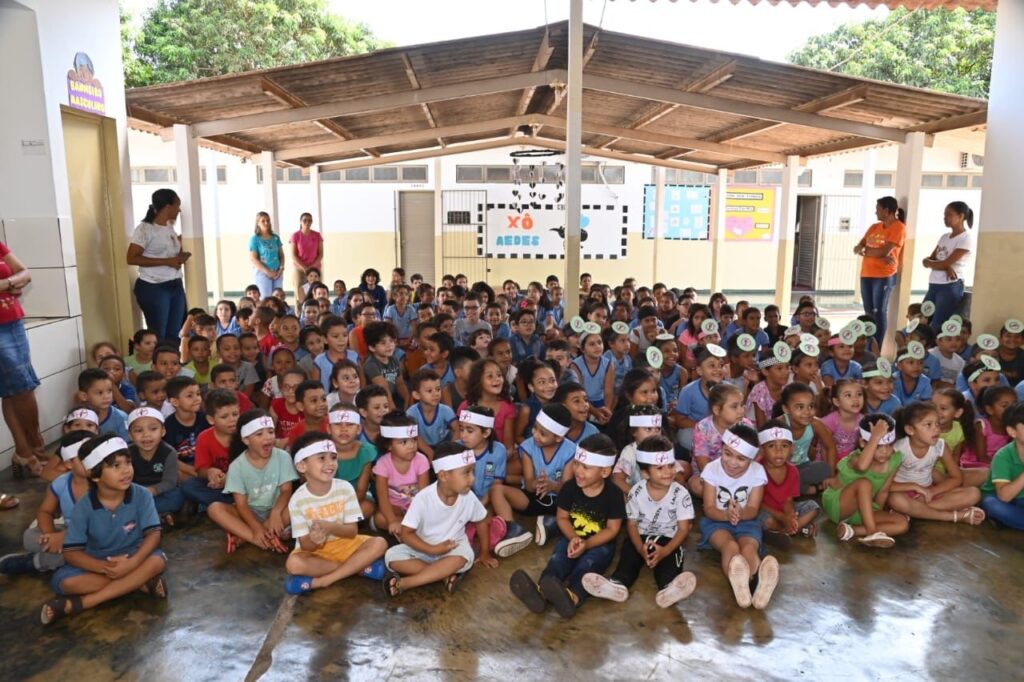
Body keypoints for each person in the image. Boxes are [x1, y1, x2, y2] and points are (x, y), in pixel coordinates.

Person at [41, 434, 168, 625]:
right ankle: (139, 583)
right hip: (98, 562)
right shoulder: (84, 506)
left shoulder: (142, 495)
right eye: (116, 466)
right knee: (63, 582)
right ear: (95, 475)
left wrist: (131, 564)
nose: (126, 470)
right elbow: (71, 553)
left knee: (157, 561)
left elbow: (154, 534)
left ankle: (83, 603)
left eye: (128, 462)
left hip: (134, 556)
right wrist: (106, 568)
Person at [508, 434, 625, 619]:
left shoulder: (614, 495)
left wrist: (587, 544)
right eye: (576, 463)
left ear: (604, 472)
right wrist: (573, 538)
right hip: (572, 536)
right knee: (558, 560)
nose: (578, 470)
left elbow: (612, 529)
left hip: (600, 543)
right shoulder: (570, 488)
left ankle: (573, 598)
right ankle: (541, 592)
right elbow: (562, 517)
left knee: (587, 567)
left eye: (586, 467)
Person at [582, 435, 697, 609]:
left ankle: (668, 588)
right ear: (645, 473)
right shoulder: (636, 491)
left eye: (671, 465)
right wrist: (640, 548)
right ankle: (618, 584)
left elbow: (683, 529)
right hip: (640, 536)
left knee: (671, 561)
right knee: (628, 555)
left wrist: (665, 551)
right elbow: (632, 524)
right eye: (660, 468)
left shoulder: (681, 494)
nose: (668, 472)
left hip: (668, 539)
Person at [382, 442, 495, 597]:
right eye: (466, 473)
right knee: (391, 557)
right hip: (422, 549)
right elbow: (406, 534)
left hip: (453, 549)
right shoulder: (423, 498)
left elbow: (481, 520)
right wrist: (432, 550)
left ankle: (407, 583)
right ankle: (443, 575)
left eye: (472, 472)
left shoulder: (468, 497)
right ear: (443, 476)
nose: (472, 479)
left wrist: (485, 553)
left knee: (465, 556)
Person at [284, 433, 387, 595]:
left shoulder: (345, 488)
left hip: (346, 544)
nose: (330, 463)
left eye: (333, 457)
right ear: (302, 466)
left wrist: (330, 527)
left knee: (380, 543)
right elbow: (306, 545)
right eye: (321, 458)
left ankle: (323, 581)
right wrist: (314, 540)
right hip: (316, 552)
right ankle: (358, 568)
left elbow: (352, 531)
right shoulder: (297, 500)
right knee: (294, 564)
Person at [698, 424, 778, 610]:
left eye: (741, 458)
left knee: (749, 547)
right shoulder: (711, 469)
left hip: (747, 521)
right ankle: (743, 585)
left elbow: (753, 509)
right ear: (722, 448)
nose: (732, 462)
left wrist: (741, 513)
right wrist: (726, 515)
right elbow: (709, 508)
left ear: (752, 458)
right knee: (730, 546)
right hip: (716, 521)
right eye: (727, 454)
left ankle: (760, 586)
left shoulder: (757, 471)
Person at [209, 410, 297, 553]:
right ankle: (261, 538)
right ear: (246, 440)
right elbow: (241, 504)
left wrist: (275, 513)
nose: (267, 437)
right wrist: (256, 528)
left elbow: (286, 491)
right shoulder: (237, 466)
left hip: (278, 509)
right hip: (249, 513)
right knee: (215, 509)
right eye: (259, 434)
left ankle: (245, 537)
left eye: (270, 432)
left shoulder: (283, 457)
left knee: (298, 503)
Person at [823, 414, 910, 547]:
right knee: (864, 483)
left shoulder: (895, 459)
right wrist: (875, 437)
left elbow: (883, 491)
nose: (885, 451)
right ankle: (872, 532)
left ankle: (853, 531)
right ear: (863, 443)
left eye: (889, 445)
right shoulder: (855, 459)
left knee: (902, 524)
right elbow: (863, 466)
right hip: (839, 505)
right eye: (878, 446)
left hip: (865, 508)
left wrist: (877, 512)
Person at [0, 238, 44, 482]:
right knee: (22, 386)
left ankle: (24, 452)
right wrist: (10, 284)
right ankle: (36, 444)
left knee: (13, 389)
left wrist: (6, 284)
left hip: (12, 320)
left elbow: (24, 273)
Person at [126, 189, 191, 343]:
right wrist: (167, 262)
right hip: (154, 287)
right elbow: (131, 258)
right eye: (177, 206)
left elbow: (168, 255)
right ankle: (158, 358)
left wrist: (180, 256)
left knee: (175, 334)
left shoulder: (169, 227)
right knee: (158, 335)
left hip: (175, 284)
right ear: (168, 206)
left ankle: (172, 358)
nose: (179, 210)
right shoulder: (145, 229)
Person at [853, 196, 906, 345]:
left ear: (887, 210)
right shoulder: (874, 227)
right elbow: (858, 247)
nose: (875, 212)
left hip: (884, 275)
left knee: (879, 311)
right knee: (868, 311)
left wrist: (867, 251)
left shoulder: (898, 227)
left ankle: (877, 346)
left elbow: (884, 251)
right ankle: (868, 343)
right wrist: (872, 252)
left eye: (878, 209)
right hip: (866, 274)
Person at [921, 202, 974, 331]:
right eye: (944, 215)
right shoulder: (944, 237)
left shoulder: (965, 238)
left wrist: (943, 265)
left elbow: (940, 262)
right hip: (934, 284)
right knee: (923, 320)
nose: (945, 218)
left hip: (950, 286)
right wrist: (945, 267)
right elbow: (927, 260)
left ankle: (935, 344)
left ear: (961, 216)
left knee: (938, 324)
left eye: (949, 215)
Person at [979, 402, 1024, 530]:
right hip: (999, 497)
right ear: (1012, 431)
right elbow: (1004, 496)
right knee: (992, 505)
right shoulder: (1003, 456)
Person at [289, 213, 323, 307]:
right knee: (299, 293)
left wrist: (311, 268)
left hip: (315, 269)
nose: (307, 222)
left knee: (318, 291)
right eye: (304, 220)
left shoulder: (317, 235)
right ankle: (299, 313)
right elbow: (293, 255)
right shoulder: (295, 235)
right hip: (299, 269)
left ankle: (318, 312)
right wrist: (305, 268)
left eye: (309, 220)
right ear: (300, 222)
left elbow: (320, 254)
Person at [249, 211, 285, 298]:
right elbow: (253, 259)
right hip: (263, 273)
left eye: (268, 220)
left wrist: (281, 269)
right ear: (258, 223)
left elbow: (281, 255)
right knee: (265, 298)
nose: (266, 223)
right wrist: (268, 272)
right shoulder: (254, 239)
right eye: (263, 221)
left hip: (277, 272)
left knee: (278, 298)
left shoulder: (275, 237)